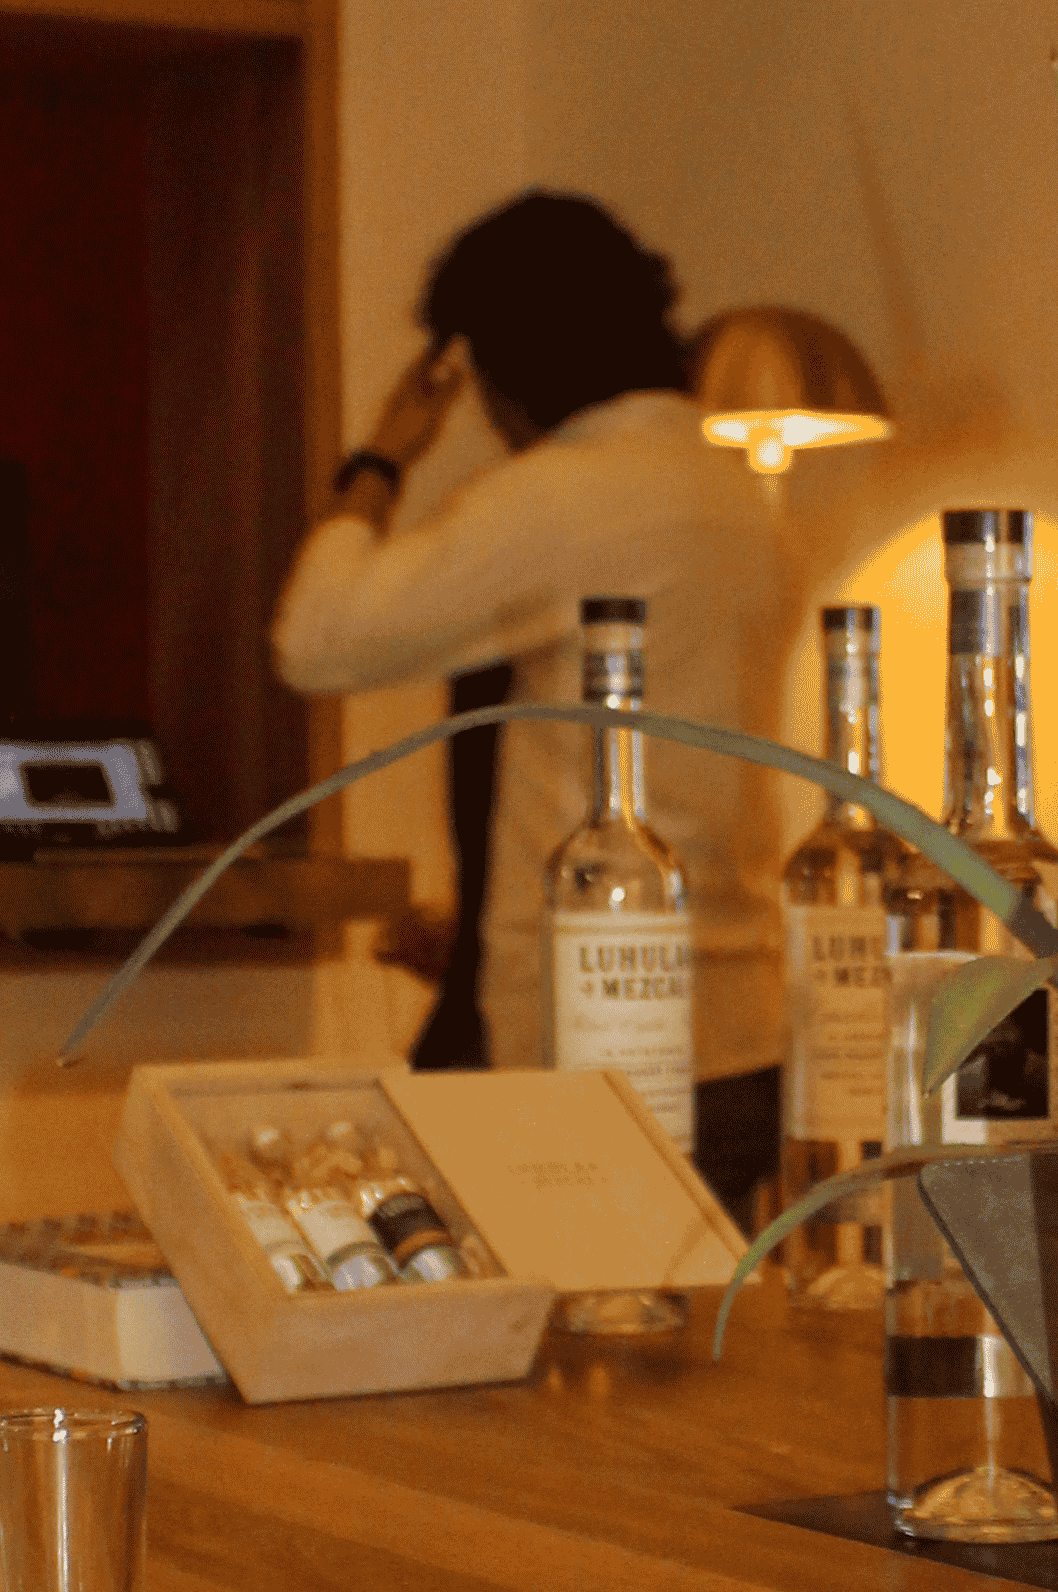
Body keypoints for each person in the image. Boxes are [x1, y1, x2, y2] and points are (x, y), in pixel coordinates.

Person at [270, 192, 786, 1204]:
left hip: (590, 1049)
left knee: (561, 1351)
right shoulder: (738, 493)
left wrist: (382, 460)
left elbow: (315, 639)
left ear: (487, 366)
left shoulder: (562, 497)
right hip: (742, 1025)